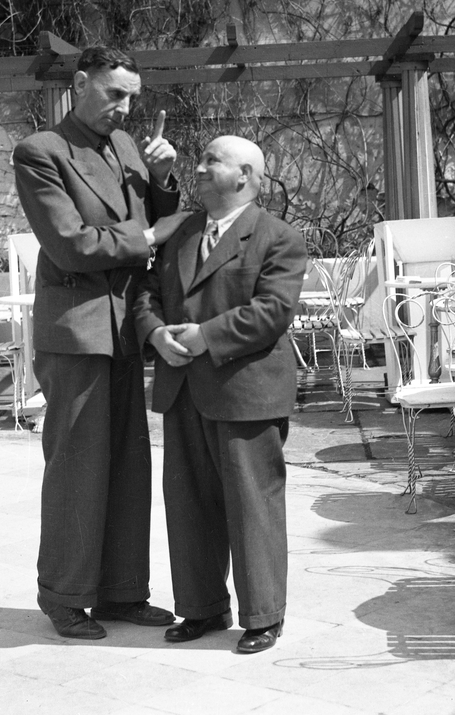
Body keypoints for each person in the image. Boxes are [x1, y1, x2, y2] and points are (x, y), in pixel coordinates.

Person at [13, 45, 190, 640]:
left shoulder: (126, 147)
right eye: (115, 94)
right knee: (77, 466)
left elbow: (151, 217)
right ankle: (64, 597)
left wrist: (162, 180)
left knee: (127, 463)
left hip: (123, 326)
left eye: (132, 98)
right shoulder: (41, 151)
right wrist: (150, 236)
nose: (125, 108)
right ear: (81, 82)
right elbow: (70, 245)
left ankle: (121, 592)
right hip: (78, 328)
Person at [134, 135, 307, 654]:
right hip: (183, 387)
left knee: (252, 506)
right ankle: (202, 607)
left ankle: (263, 616)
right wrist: (154, 333)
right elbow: (146, 293)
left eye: (213, 161)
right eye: (202, 159)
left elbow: (273, 311)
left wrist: (205, 336)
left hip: (245, 392)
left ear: (245, 176)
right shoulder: (182, 232)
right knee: (188, 505)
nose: (200, 168)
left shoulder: (278, 237)